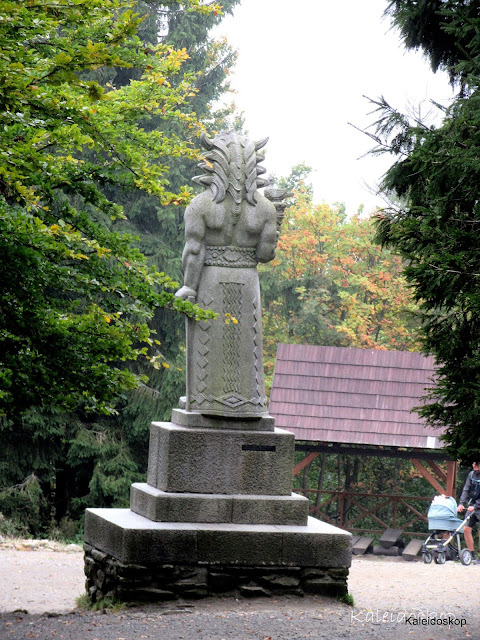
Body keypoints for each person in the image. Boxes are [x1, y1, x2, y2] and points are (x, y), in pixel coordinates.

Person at [457, 461, 480, 564]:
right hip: (472, 506)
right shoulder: (471, 475)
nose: (474, 465)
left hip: (477, 506)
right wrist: (461, 503)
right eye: (473, 463)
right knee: (466, 529)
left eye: (477, 464)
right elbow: (466, 489)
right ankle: (471, 555)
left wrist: (475, 506)